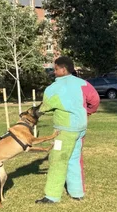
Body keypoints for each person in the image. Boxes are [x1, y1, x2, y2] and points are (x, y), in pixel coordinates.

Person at [36, 56, 99, 204]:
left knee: (58, 160)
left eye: (55, 69)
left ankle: (51, 196)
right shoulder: (83, 83)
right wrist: (88, 111)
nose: (54, 72)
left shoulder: (53, 88)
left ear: (63, 69)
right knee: (75, 159)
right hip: (80, 129)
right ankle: (77, 192)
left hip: (64, 131)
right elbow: (95, 100)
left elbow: (44, 108)